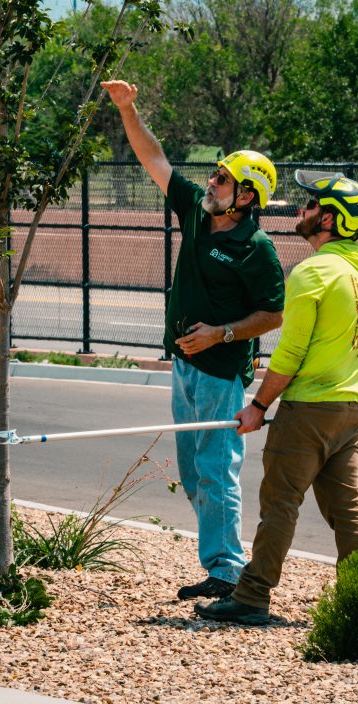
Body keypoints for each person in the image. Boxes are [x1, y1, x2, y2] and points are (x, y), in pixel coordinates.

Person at [101, 80, 285, 600]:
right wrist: (128, 108)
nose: (212, 180)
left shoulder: (257, 248)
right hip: (184, 367)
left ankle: (228, 570)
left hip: (221, 372)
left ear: (247, 196)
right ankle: (220, 560)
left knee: (214, 468)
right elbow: (154, 158)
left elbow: (273, 313)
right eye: (216, 173)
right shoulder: (197, 214)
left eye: (223, 178)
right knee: (192, 470)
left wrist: (221, 334)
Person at [194, 170, 358, 626]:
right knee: (347, 510)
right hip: (350, 411)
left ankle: (252, 597)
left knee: (280, 503)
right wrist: (355, 391)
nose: (300, 211)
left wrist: (258, 407)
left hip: (306, 412)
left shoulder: (314, 273)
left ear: (330, 219)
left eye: (310, 206)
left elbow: (290, 353)